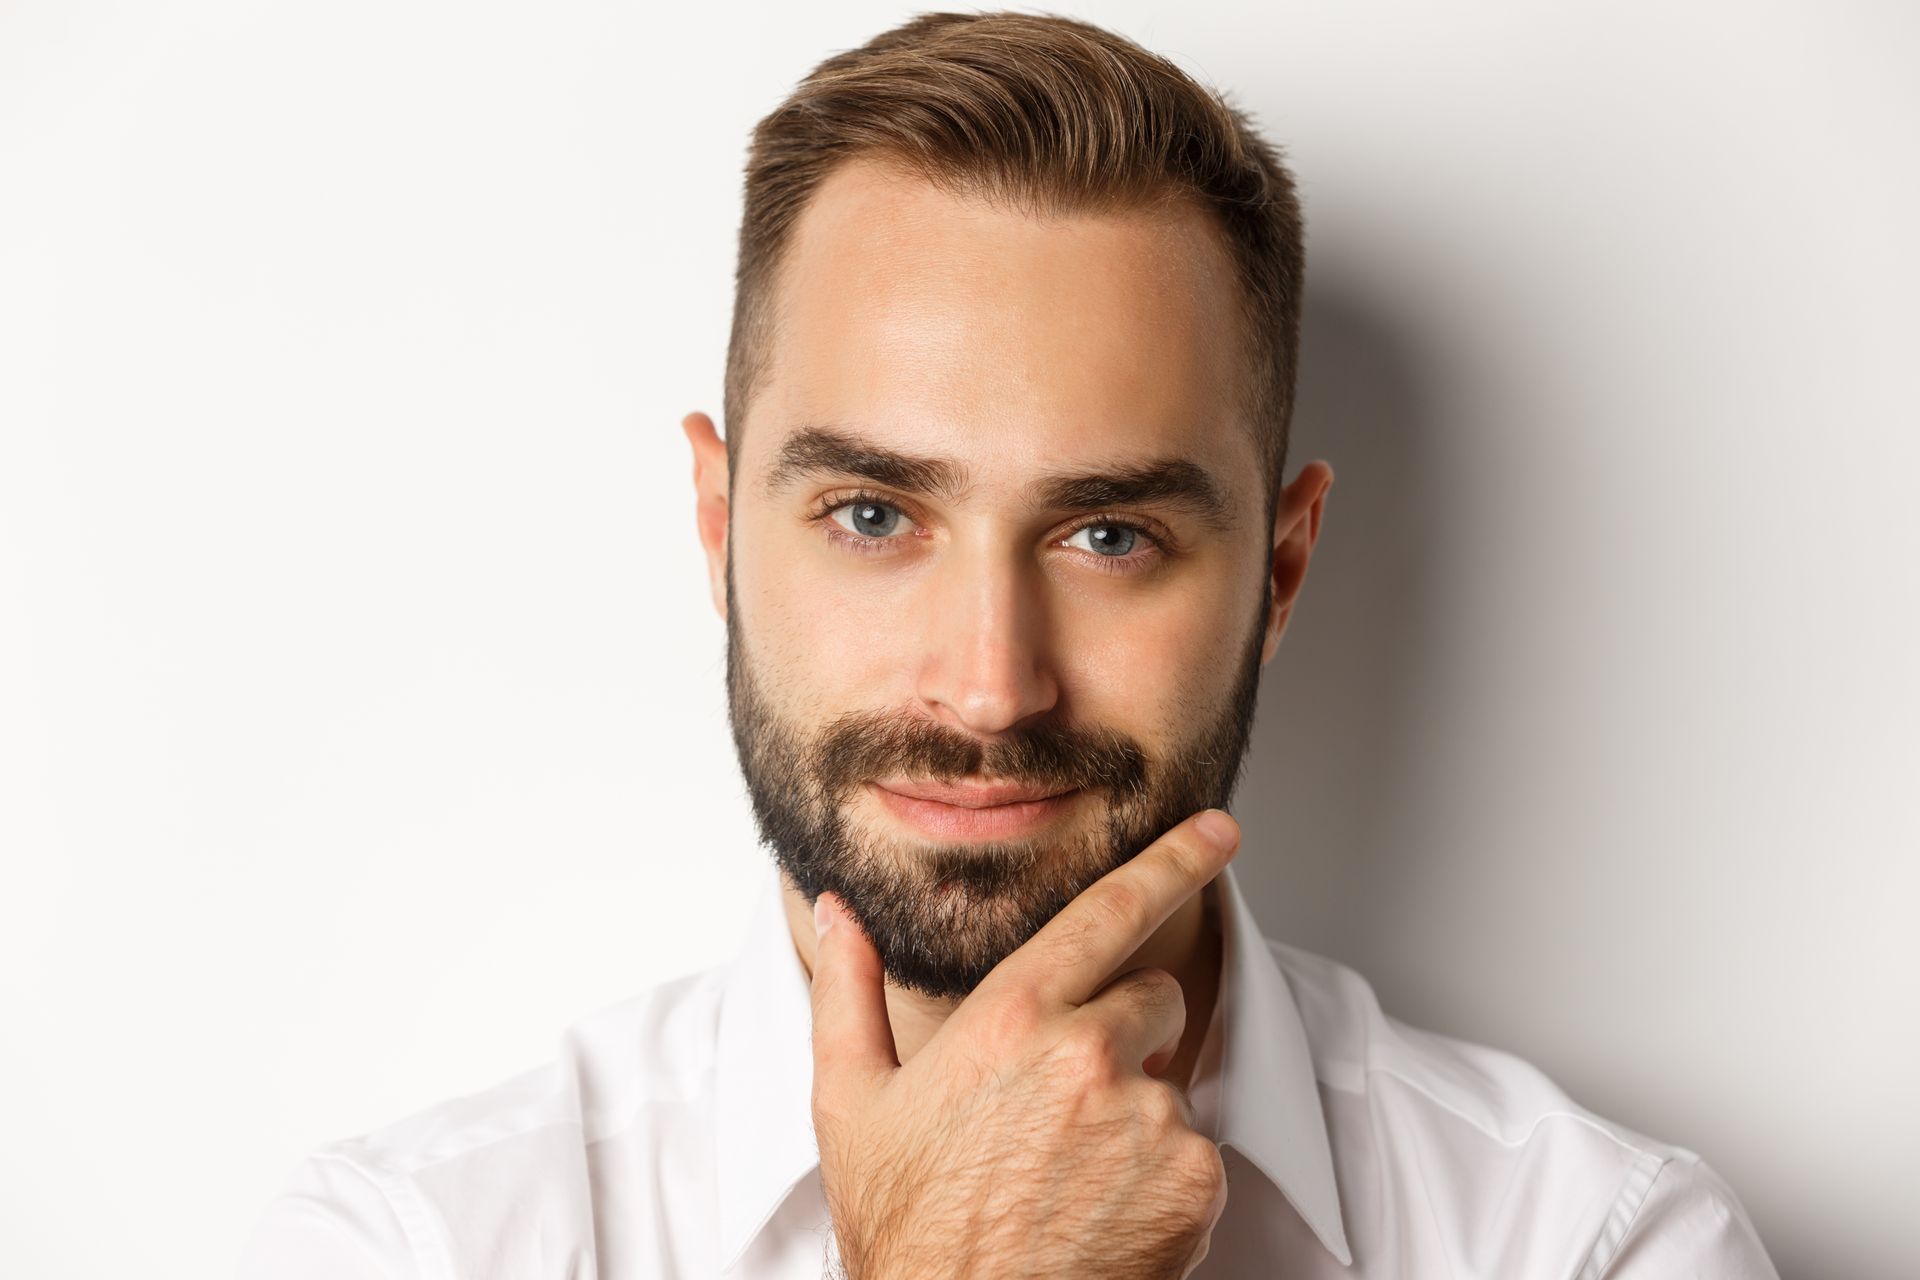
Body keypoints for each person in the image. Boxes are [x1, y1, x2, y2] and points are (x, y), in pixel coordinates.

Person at [236, 11, 1779, 1278]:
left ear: (1282, 569)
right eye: (871, 515)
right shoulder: (412, 1245)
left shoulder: (1593, 1246)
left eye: (1108, 536)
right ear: (718, 528)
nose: (989, 688)